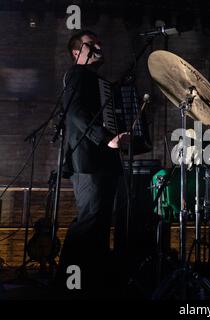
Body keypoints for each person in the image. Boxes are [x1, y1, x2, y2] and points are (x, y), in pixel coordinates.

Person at [55, 30, 129, 298]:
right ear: (77, 52)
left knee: (98, 223)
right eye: (91, 43)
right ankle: (67, 284)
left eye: (99, 41)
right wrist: (106, 138)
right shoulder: (76, 75)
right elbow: (75, 113)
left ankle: (89, 282)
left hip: (101, 160)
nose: (99, 45)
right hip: (88, 160)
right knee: (89, 222)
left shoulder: (95, 80)